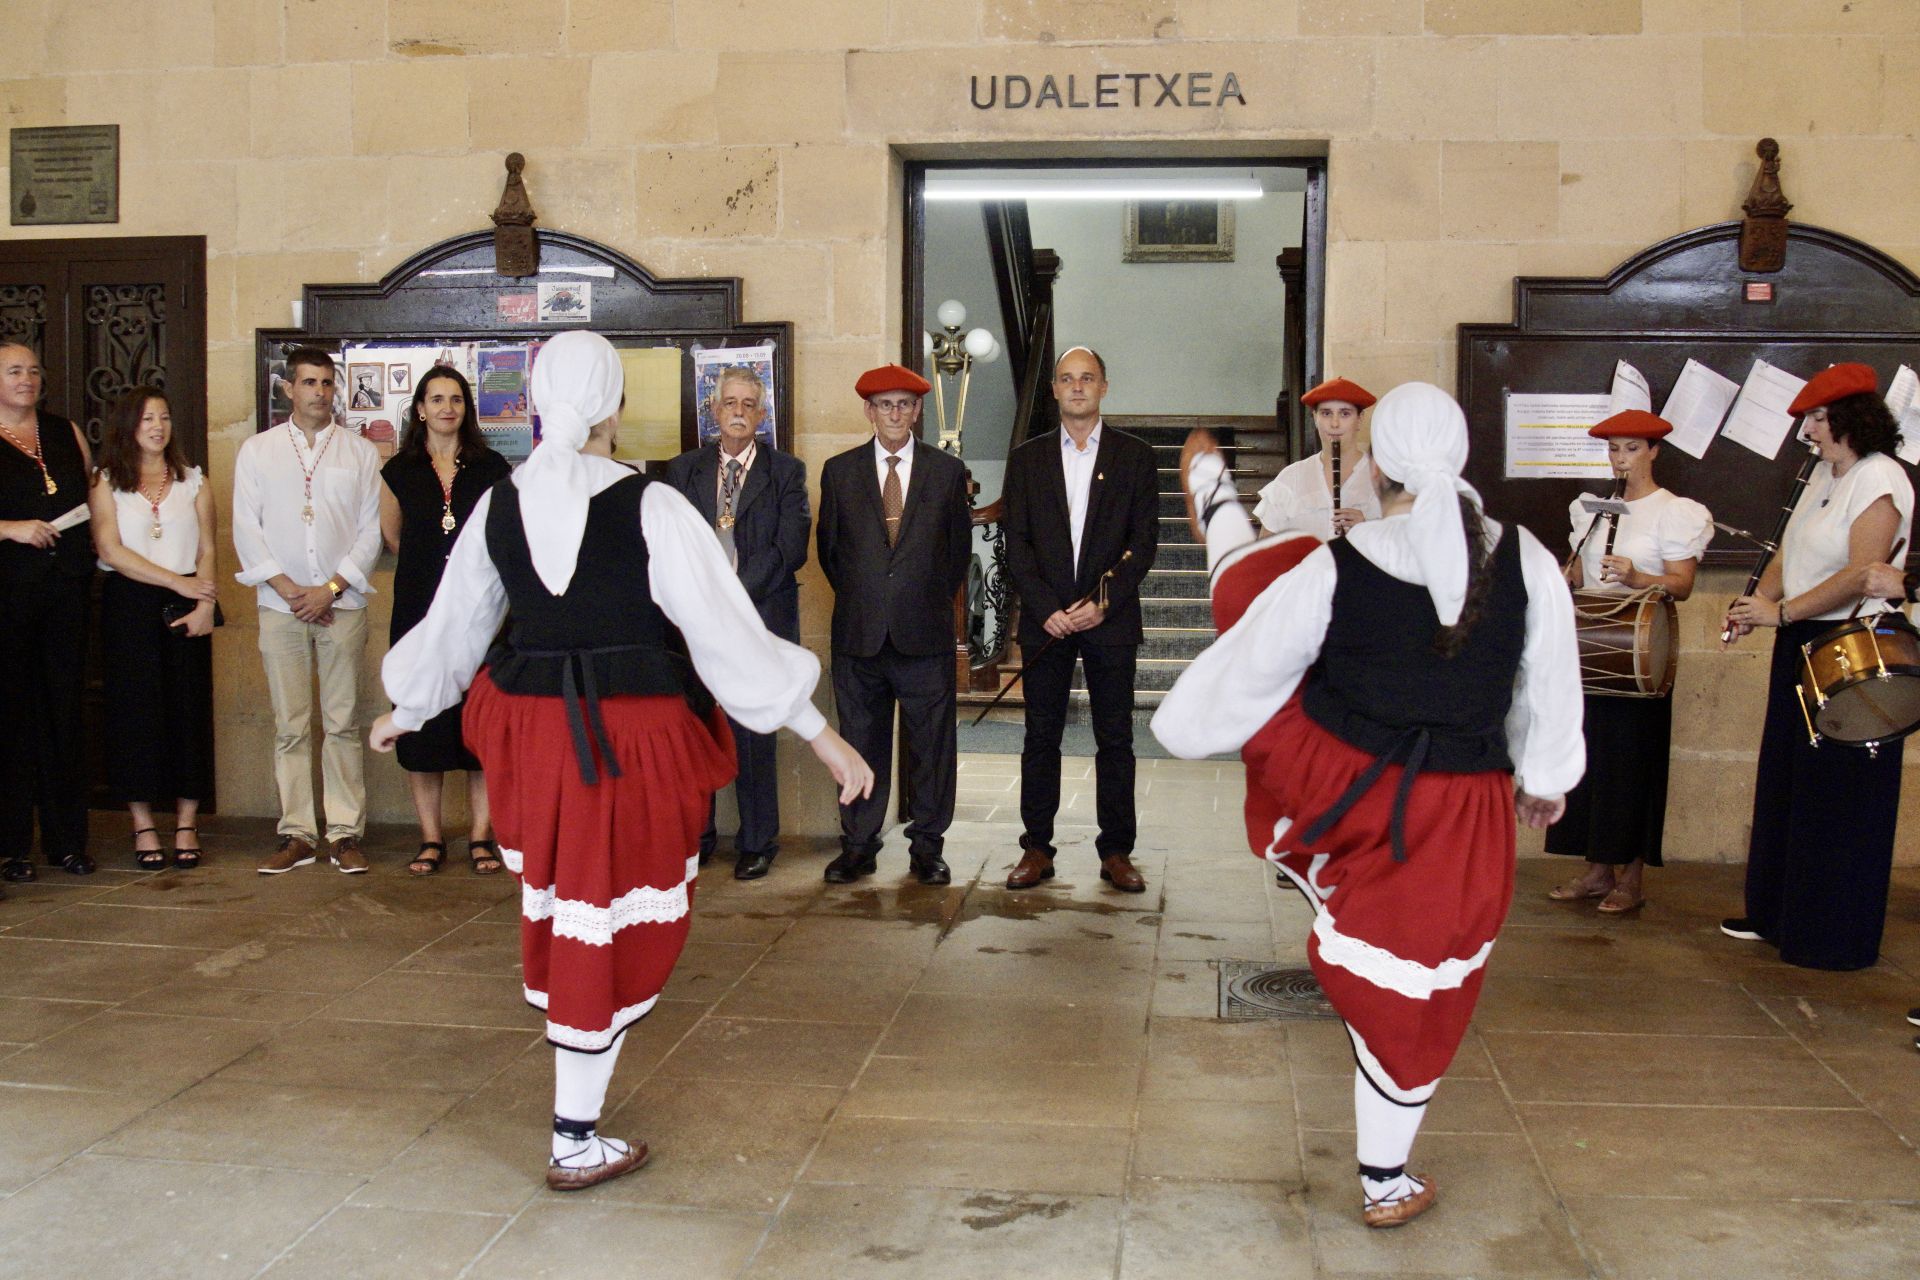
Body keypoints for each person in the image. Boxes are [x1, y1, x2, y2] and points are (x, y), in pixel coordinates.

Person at [371, 329, 870, 1192]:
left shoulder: (502, 502)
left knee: (570, 914)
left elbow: (454, 622)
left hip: (531, 738)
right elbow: (725, 637)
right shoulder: (653, 506)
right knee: (605, 923)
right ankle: (573, 1135)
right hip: (625, 742)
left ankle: (576, 1121)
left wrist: (407, 704)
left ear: (535, 401)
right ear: (616, 407)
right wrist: (821, 736)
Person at [1153, 383, 1583, 1229]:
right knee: (1424, 984)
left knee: (1387, 972)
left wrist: (1194, 725)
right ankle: (1385, 1177)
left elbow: (1259, 661)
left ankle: (1387, 1172)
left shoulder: (1340, 562)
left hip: (1355, 793)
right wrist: (1544, 779)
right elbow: (1549, 685)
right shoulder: (1530, 558)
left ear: (1377, 463)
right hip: (1467, 814)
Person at [1721, 362, 1912, 971]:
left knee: (1840, 794)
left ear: (1850, 419)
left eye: (1816, 418)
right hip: (1802, 638)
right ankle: (1779, 914)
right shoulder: (1826, 473)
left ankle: (1831, 933)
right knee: (1789, 779)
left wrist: (1788, 613)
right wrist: (1762, 605)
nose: (1806, 430)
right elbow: (1789, 550)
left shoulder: (1879, 477)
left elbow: (1863, 571)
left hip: (1853, 643)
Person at [1002, 346, 1159, 893]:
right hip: (1047, 623)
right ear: (1053, 390)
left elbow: (1144, 543)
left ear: (1104, 387)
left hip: (1109, 621)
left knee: (1114, 737)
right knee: (1040, 736)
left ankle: (1116, 851)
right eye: (1067, 379)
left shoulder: (1136, 457)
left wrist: (1102, 603)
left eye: (1087, 378)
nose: (1076, 388)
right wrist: (1048, 609)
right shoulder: (1026, 458)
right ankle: (1037, 849)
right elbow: (1015, 543)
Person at [1545, 410, 1711, 912]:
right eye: (1614, 448)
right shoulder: (1592, 509)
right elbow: (1576, 575)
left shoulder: (1674, 511)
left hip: (1640, 654)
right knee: (1589, 763)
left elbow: (1682, 584)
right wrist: (1562, 575)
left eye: (1632, 448)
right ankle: (1596, 871)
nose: (1620, 458)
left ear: (1654, 451)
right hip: (1591, 652)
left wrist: (1639, 577)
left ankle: (1631, 880)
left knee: (1632, 765)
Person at [815, 364, 971, 886]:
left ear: (918, 410)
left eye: (905, 404)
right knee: (860, 741)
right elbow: (831, 554)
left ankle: (928, 846)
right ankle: (859, 844)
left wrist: (915, 600)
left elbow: (956, 556)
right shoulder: (839, 472)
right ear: (869, 411)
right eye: (886, 405)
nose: (896, 414)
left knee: (931, 747)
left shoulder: (946, 474)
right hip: (860, 637)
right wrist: (871, 599)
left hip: (923, 635)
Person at [233, 346, 383, 875]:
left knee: (342, 722)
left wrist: (332, 588)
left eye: (327, 383)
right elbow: (245, 529)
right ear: (288, 389)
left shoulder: (359, 453)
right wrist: (293, 590)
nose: (320, 392)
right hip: (280, 607)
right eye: (309, 383)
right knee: (290, 725)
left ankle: (343, 832)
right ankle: (297, 833)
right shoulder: (258, 450)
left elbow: (370, 532)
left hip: (342, 605)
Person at [666, 366, 810, 880]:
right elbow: (671, 544)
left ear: (763, 414)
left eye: (750, 405)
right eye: (730, 403)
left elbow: (789, 549)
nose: (739, 413)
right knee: (698, 728)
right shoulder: (683, 471)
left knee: (754, 731)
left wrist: (731, 594)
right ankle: (698, 835)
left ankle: (756, 841)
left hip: (759, 618)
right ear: (714, 410)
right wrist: (704, 600)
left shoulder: (787, 472)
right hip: (696, 623)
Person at [378, 367, 512, 876]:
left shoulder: (492, 466)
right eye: (436, 399)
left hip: (480, 612)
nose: (447, 408)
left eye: (456, 399)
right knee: (422, 724)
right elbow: (393, 538)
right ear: (420, 409)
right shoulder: (399, 469)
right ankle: (431, 838)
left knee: (478, 725)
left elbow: (503, 534)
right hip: (418, 609)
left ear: (466, 409)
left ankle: (482, 836)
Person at [88, 387, 218, 869]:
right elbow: (109, 549)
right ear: (128, 425)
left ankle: (187, 821)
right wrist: (175, 583)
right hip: (131, 603)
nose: (157, 427)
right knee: (134, 714)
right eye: (146, 419)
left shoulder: (193, 480)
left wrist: (204, 599)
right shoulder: (107, 480)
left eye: (164, 417)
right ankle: (142, 824)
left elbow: (208, 547)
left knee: (188, 711)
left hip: (189, 603)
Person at [0, 341, 96, 886]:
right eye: (14, 371)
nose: (26, 379)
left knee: (63, 713)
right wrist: (10, 528)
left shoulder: (64, 432)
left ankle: (66, 842)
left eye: (33, 370)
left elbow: (92, 491)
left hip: (64, 591)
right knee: (12, 718)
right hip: (9, 595)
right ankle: (13, 845)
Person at [1254, 376, 1384, 538]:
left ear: (1359, 419)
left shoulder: (1384, 478)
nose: (1334, 423)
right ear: (1315, 418)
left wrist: (1367, 529)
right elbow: (1264, 552)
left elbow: (1402, 551)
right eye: (1326, 413)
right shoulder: (1291, 477)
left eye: (1345, 414)